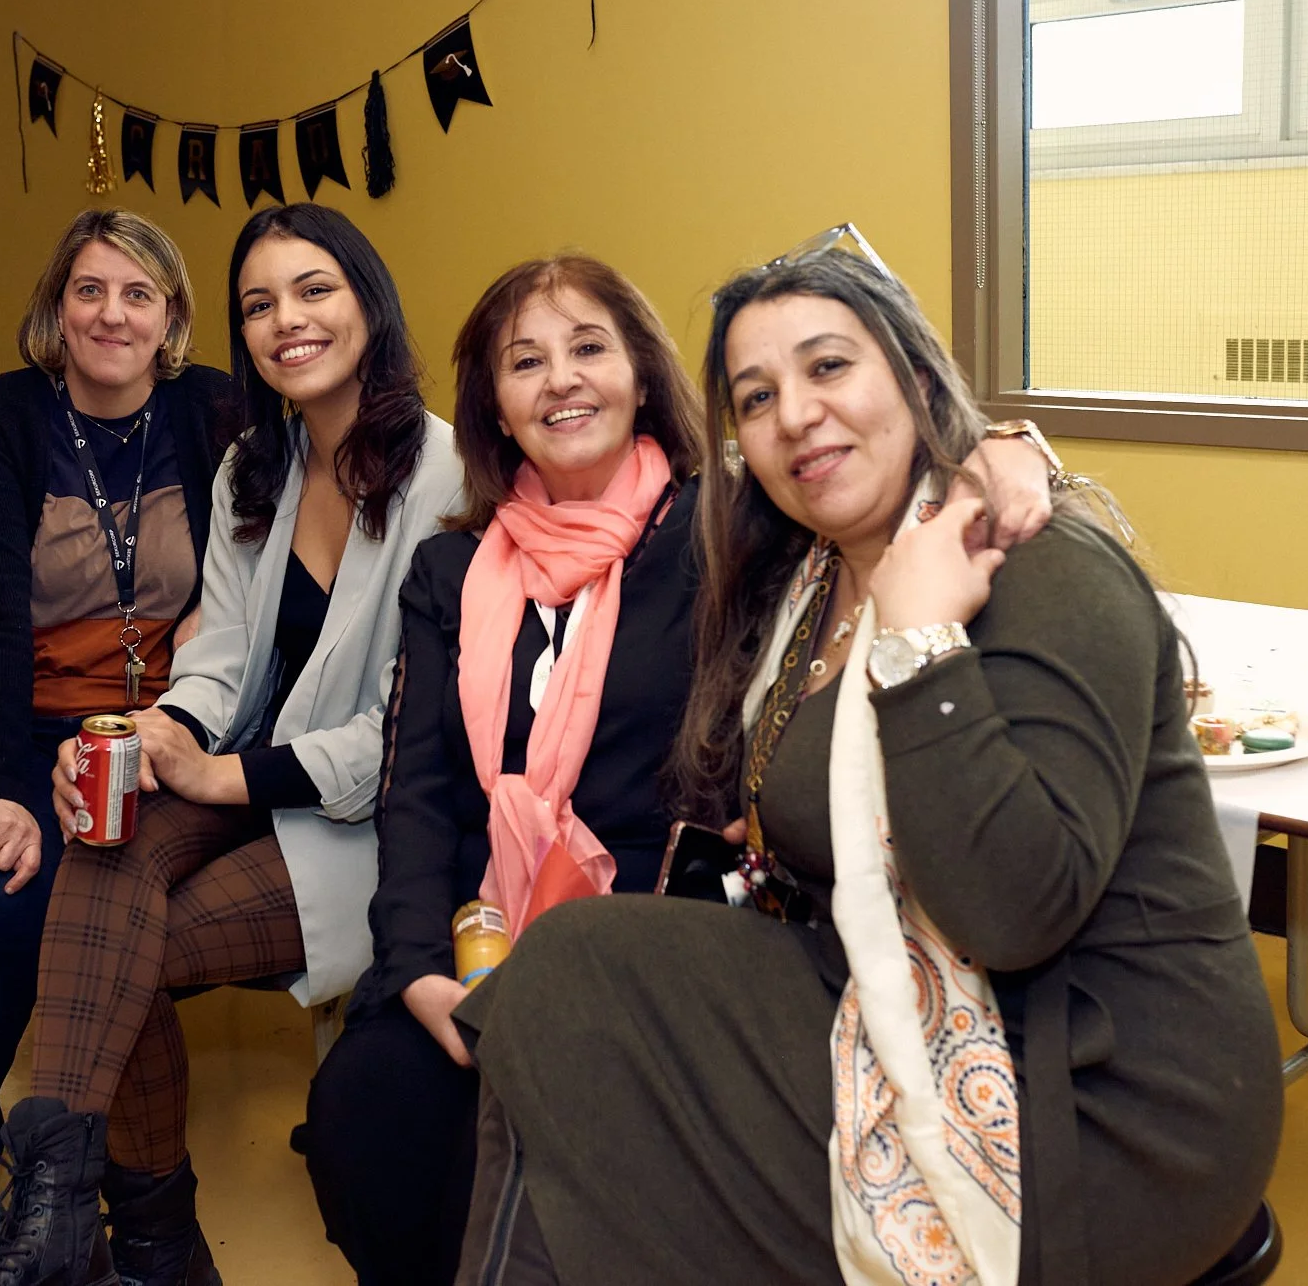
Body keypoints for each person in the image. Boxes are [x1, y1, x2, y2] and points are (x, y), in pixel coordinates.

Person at [445, 245, 1284, 1286]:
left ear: (915, 378)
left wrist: (923, 645)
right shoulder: (803, 576)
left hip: (1100, 1095)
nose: (794, 412)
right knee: (569, 981)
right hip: (880, 990)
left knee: (576, 1041)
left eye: (829, 366)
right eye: (756, 396)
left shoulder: (1034, 560)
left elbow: (1014, 911)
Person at [300, 253, 1061, 1286]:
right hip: (480, 939)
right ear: (492, 406)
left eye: (587, 348)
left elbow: (869, 455)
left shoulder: (729, 525)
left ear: (641, 373)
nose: (559, 379)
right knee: (365, 1111)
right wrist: (413, 970)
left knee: (565, 1148)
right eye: (525, 362)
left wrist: (1006, 448)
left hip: (658, 936)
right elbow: (418, 794)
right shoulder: (449, 572)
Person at [0, 203, 466, 1286]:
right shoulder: (256, 460)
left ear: (367, 301)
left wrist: (224, 771)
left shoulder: (448, 472)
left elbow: (414, 729)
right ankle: (86, 1212)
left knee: (119, 942)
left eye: (313, 289)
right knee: (103, 847)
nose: (285, 319)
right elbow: (225, 652)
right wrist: (159, 731)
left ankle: (137, 1234)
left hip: (377, 819)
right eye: (258, 303)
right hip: (251, 769)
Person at [0, 209, 232, 1280]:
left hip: (162, 724)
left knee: (121, 893)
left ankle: (106, 1162)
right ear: (56, 307)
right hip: (1, 720)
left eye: (138, 293)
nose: (111, 313)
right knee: (5, 894)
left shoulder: (212, 408)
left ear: (170, 316)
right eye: (89, 289)